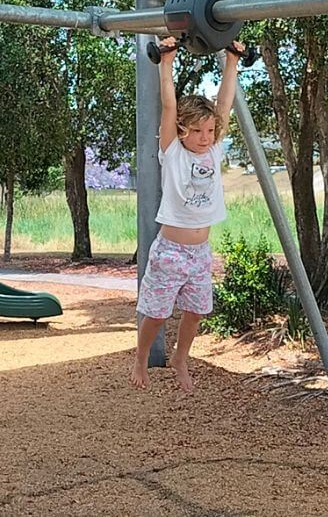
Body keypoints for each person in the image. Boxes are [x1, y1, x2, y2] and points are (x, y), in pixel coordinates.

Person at [130, 36, 244, 393]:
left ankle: (181, 357)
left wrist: (232, 62)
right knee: (158, 313)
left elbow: (224, 105)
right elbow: (167, 107)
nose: (205, 137)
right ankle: (141, 356)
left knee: (196, 312)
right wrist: (166, 63)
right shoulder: (173, 153)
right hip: (170, 251)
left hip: (199, 253)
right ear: (181, 131)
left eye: (209, 131)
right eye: (196, 131)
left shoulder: (213, 152)